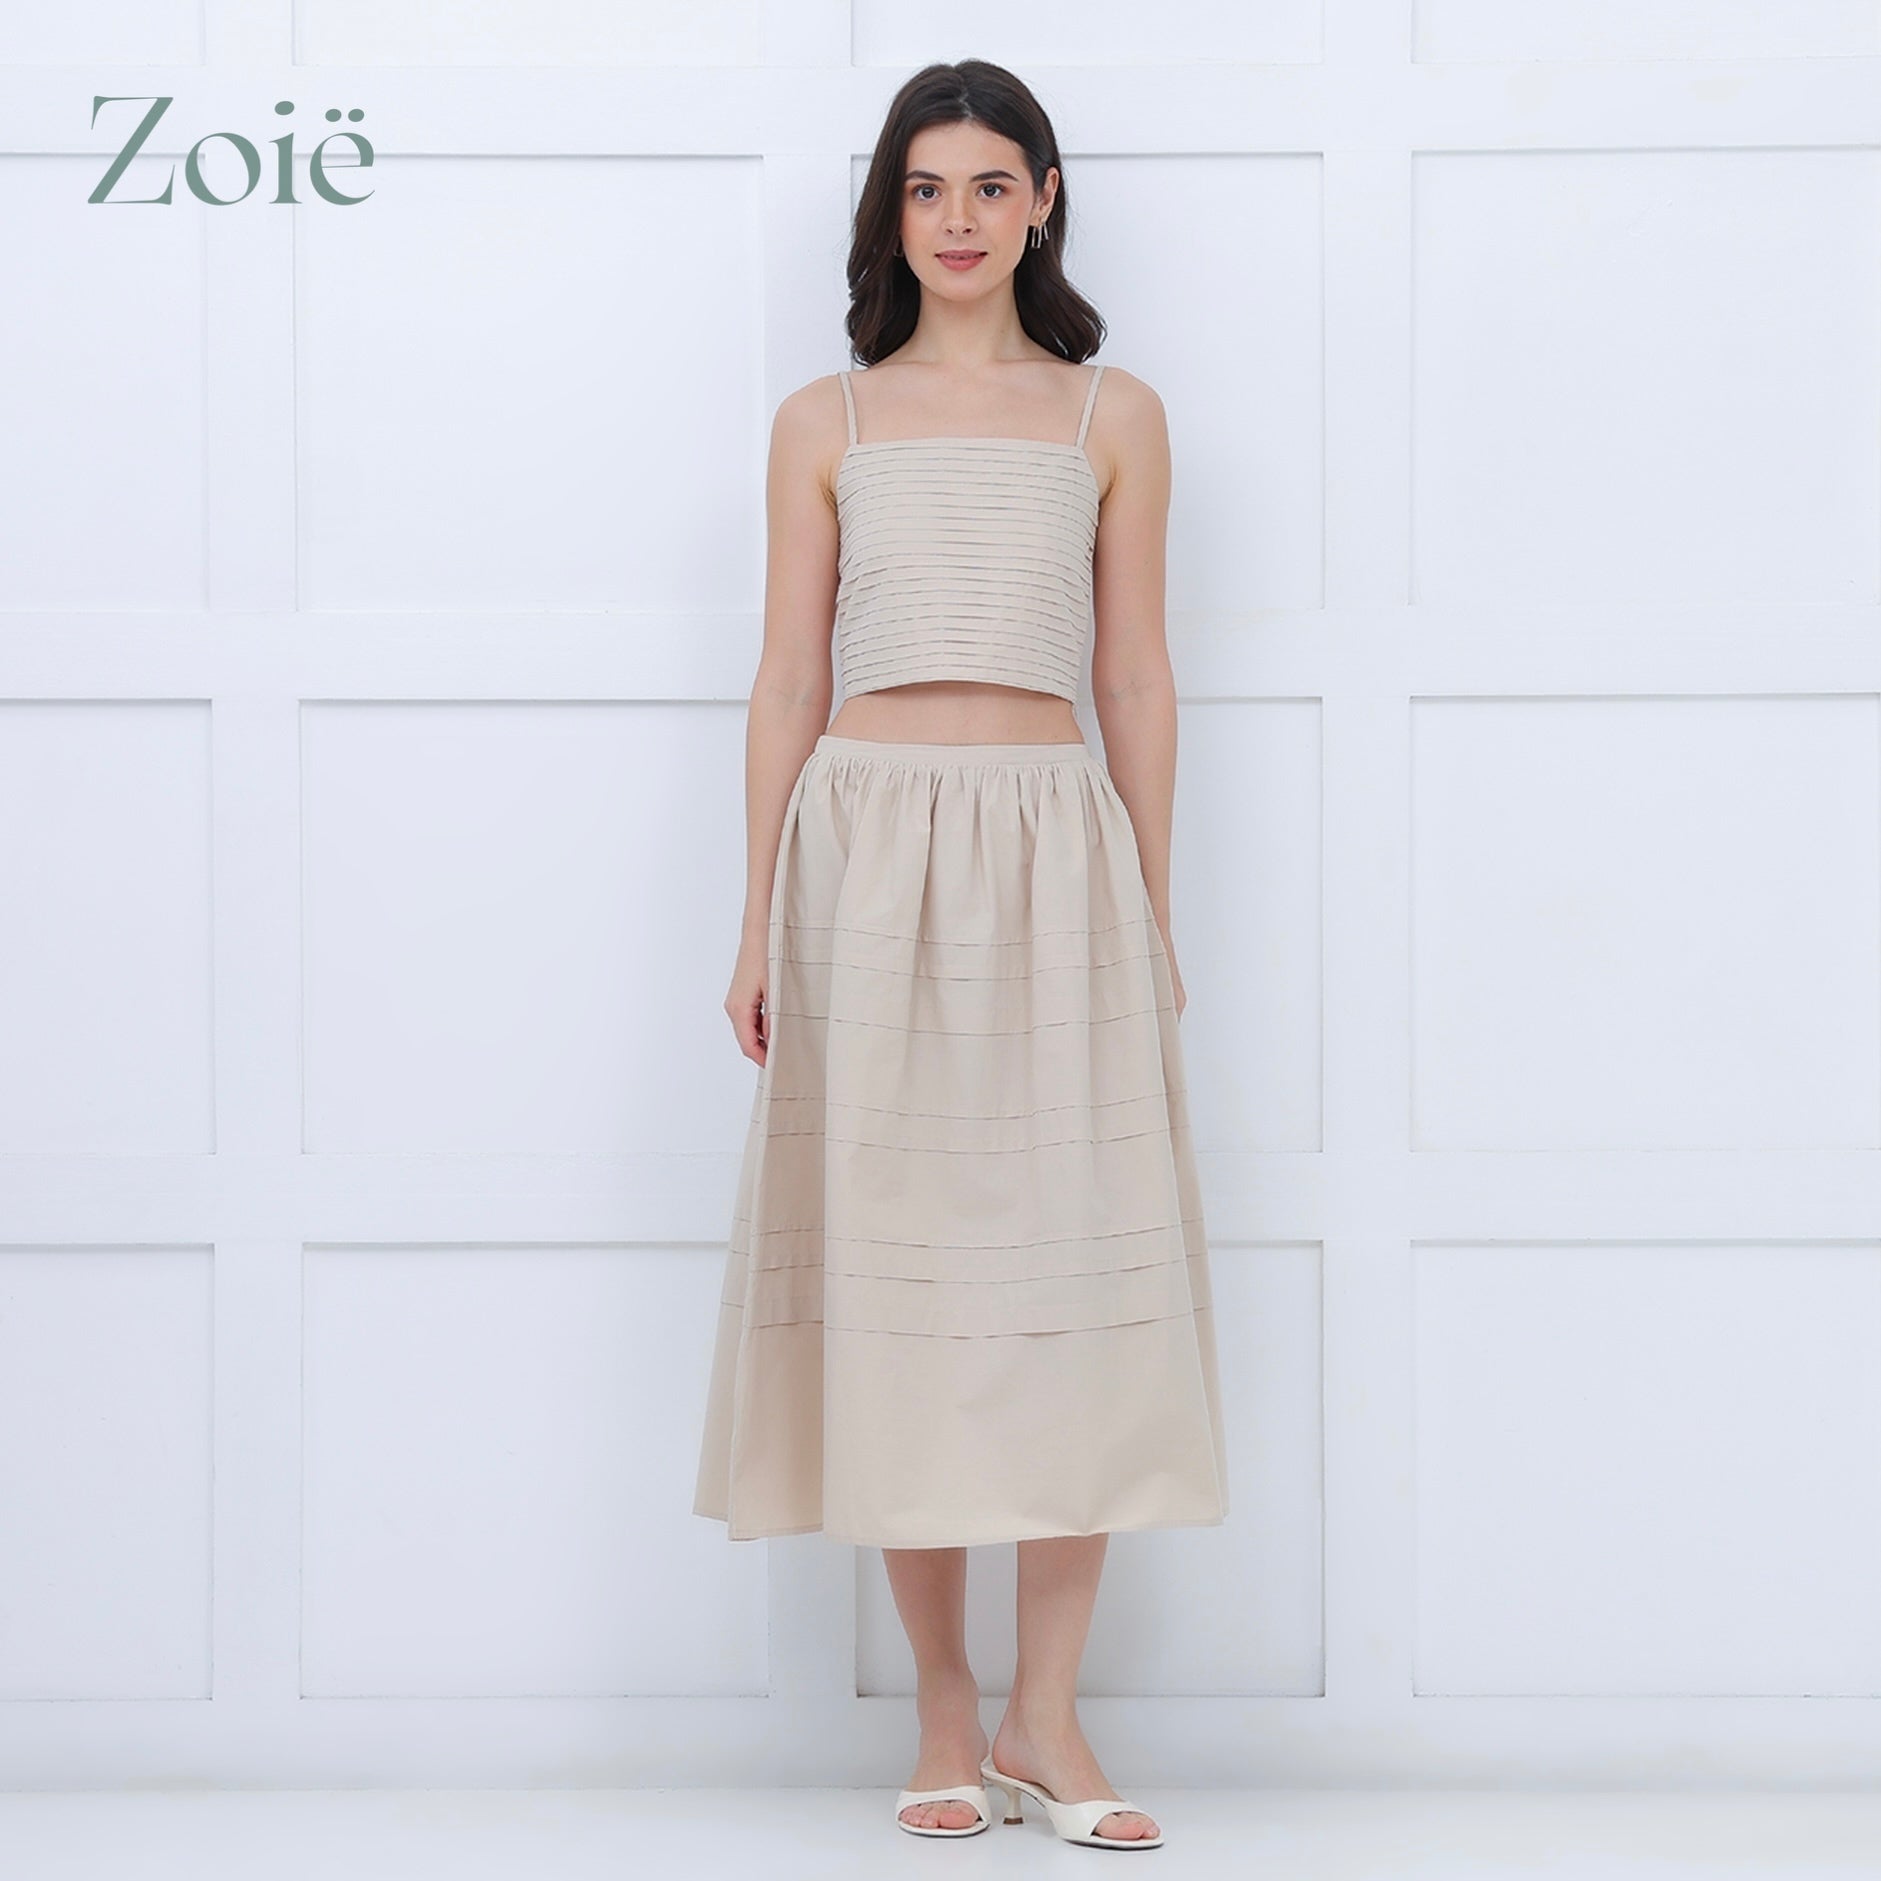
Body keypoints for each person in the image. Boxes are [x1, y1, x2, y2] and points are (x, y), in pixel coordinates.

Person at [691, 58, 1228, 1851]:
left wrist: (1149, 904)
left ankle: (1044, 1719)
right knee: (899, 1290)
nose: (960, 219)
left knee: (1074, 1287)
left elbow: (1134, 673)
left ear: (1044, 201)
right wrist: (755, 916)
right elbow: (787, 674)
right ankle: (940, 1712)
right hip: (863, 859)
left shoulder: (1112, 416)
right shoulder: (824, 419)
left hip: (1055, 854)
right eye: (927, 188)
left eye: (993, 185)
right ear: (891, 213)